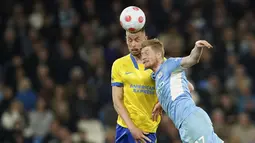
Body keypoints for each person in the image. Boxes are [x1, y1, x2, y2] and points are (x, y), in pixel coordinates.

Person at [140, 39, 224, 143]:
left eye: (147, 53)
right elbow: (190, 87)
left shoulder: (169, 64)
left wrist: (197, 47)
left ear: (158, 55)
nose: (143, 57)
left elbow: (192, 59)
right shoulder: (156, 76)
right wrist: (162, 102)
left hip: (190, 118)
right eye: (142, 54)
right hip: (184, 125)